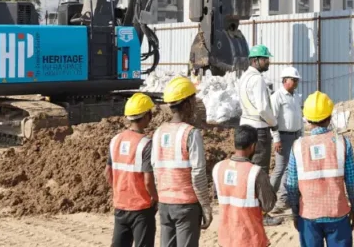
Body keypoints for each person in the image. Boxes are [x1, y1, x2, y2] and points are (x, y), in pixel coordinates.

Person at [285, 91, 354, 247]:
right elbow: (352, 182)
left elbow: (291, 185)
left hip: (309, 217)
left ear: (307, 119)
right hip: (338, 215)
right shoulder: (342, 143)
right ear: (330, 117)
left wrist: (295, 213)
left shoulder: (298, 147)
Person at [152, 76, 211, 247]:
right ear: (186, 104)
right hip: (186, 205)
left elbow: (156, 169)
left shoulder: (158, 132)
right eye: (193, 100)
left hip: (165, 204)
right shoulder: (191, 133)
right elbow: (198, 173)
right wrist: (205, 206)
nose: (195, 104)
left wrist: (161, 198)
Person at [211, 125, 277, 247]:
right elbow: (268, 205)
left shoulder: (218, 168)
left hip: (225, 238)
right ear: (253, 146)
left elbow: (217, 195)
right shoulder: (255, 173)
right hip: (250, 239)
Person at [107, 93, 158, 247]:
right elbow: (148, 181)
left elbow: (107, 172)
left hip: (121, 205)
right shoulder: (146, 144)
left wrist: (119, 191)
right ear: (146, 115)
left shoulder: (115, 140)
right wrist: (156, 198)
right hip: (141, 208)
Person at [238, 45, 278, 178]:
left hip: (245, 128)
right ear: (255, 60)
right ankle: (258, 198)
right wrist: (273, 123)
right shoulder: (258, 79)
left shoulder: (244, 77)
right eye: (265, 59)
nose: (268, 62)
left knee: (246, 168)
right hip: (259, 130)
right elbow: (262, 108)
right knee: (260, 171)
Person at [271, 66, 304, 214]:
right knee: (280, 168)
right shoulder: (277, 96)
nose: (296, 82)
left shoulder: (296, 96)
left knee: (292, 168)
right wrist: (276, 139)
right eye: (293, 79)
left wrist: (302, 136)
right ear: (284, 80)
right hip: (283, 137)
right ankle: (270, 199)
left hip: (296, 136)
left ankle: (286, 198)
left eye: (297, 80)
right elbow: (273, 119)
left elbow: (299, 118)